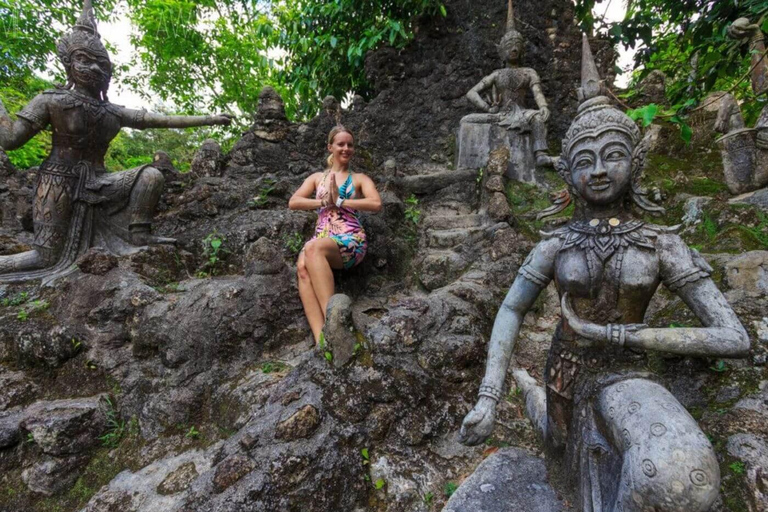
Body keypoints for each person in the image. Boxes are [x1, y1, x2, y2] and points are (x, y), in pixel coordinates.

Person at [459, 35, 749, 511]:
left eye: (612, 155)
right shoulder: (555, 244)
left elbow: (733, 337)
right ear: (567, 173)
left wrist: (622, 336)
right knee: (554, 434)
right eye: (584, 160)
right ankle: (527, 386)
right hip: (566, 369)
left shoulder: (662, 244)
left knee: (680, 475)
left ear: (633, 164)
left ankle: (530, 388)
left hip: (630, 372)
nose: (597, 170)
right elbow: (512, 307)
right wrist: (488, 397)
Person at [288, 126, 382, 344]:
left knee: (312, 248)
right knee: (302, 268)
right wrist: (323, 202)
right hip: (323, 238)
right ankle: (322, 340)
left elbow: (376, 203)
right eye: (341, 144)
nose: (346, 148)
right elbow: (294, 202)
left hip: (350, 239)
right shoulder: (316, 178)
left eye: (350, 144)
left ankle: (335, 325)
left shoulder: (359, 178)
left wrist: (340, 201)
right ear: (330, 147)